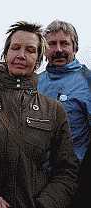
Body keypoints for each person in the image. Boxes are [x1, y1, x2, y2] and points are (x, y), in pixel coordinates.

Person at [0, 21, 79, 208]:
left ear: (39, 59)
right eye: (15, 48)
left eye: (30, 50)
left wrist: (44, 204)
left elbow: (66, 170)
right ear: (5, 54)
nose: (21, 55)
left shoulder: (54, 110)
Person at [37, 20, 91, 161]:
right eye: (52, 44)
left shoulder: (87, 80)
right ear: (44, 50)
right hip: (38, 174)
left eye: (65, 43)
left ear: (75, 48)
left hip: (77, 174)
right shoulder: (34, 82)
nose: (58, 50)